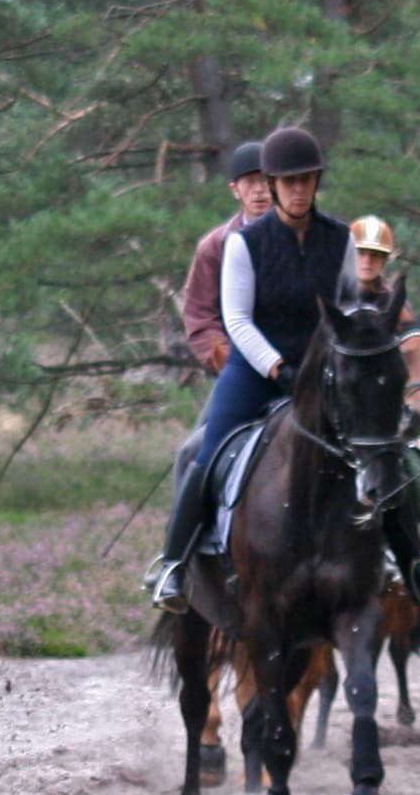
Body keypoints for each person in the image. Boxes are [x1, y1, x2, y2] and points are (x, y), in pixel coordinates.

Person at [148, 126, 353, 603]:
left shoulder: (340, 239)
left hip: (320, 371)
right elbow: (236, 319)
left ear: (316, 182)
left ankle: (407, 560)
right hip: (256, 370)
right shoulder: (243, 244)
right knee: (209, 449)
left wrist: (341, 363)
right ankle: (175, 565)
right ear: (275, 185)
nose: (298, 190)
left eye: (307, 180)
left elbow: (347, 307)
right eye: (288, 181)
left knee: (376, 445)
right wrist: (277, 368)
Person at [350, 217, 420, 599]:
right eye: (362, 253)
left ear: (386, 260)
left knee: (414, 461)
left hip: (381, 406)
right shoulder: (332, 293)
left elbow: (408, 355)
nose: (368, 261)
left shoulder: (398, 307)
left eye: (376, 255)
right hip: (340, 398)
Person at [180, 141, 272, 374]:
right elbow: (200, 317)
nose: (259, 190)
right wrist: (226, 360)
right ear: (235, 189)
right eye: (250, 182)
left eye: (265, 180)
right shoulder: (214, 247)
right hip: (241, 363)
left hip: (301, 358)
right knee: (216, 413)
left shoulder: (300, 236)